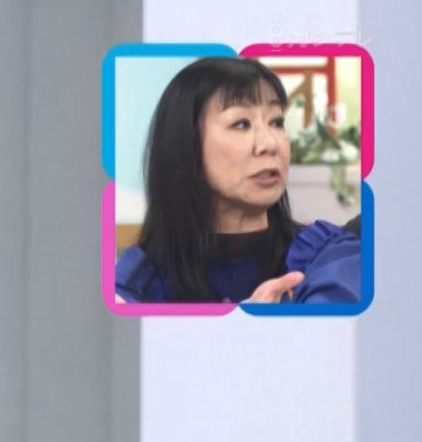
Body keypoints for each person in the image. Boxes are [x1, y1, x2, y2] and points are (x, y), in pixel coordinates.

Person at [115, 56, 362, 304]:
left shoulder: (327, 253)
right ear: (186, 145)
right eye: (242, 124)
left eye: (276, 122)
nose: (270, 143)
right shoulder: (137, 280)